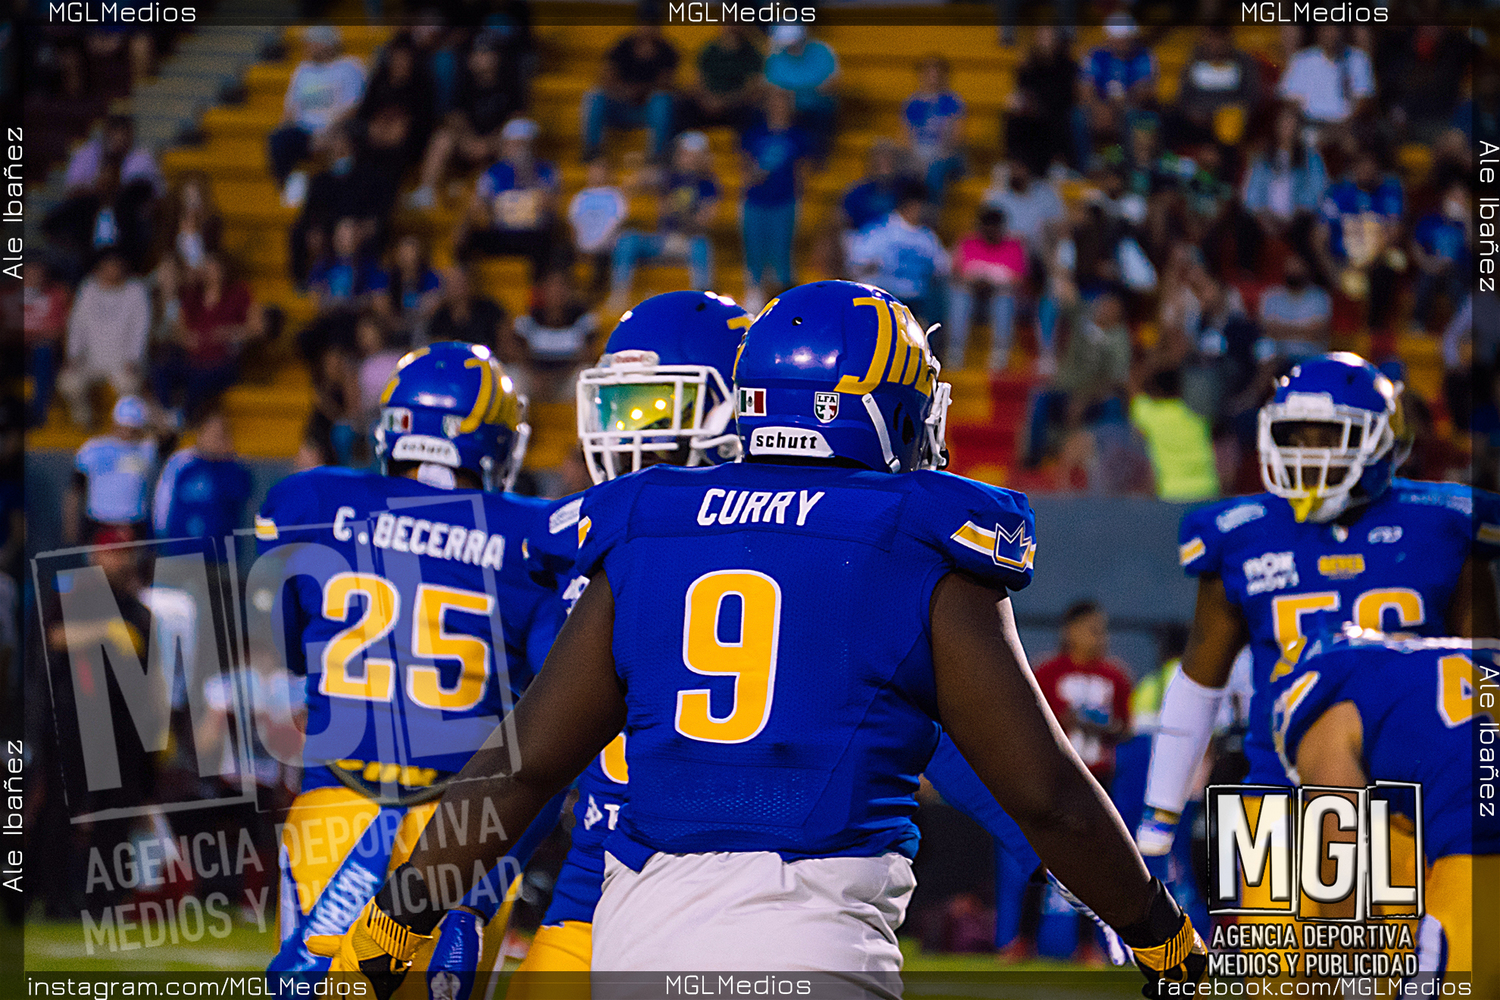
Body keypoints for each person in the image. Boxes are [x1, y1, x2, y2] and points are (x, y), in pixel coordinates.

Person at [309, 281, 1206, 998]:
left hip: (633, 931)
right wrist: (1162, 937)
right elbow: (1045, 795)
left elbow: (525, 768)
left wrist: (397, 920)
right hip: (809, 939)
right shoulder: (912, 534)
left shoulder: (644, 523)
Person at [1137, 352, 1500, 982]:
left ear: (1381, 438)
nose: (1309, 453)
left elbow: (1484, 679)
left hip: (1409, 804)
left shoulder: (1446, 523)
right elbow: (1199, 683)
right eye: (1295, 436)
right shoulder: (1241, 533)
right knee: (1284, 987)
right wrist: (1156, 826)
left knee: (1429, 976)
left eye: (1328, 435)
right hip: (1280, 803)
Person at [258, 342, 565, 984]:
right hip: (469, 829)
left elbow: (284, 647)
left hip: (337, 810)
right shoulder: (530, 537)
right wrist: (481, 893)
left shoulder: (311, 502)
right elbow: (558, 726)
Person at [1276, 628, 1499, 994]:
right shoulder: (1462, 664)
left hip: (1480, 859)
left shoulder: (1333, 708)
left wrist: (1358, 985)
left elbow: (1342, 865)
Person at [406, 32, 527, 211]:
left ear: (497, 57)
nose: (480, 58)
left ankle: (509, 196)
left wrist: (488, 143)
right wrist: (469, 141)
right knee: (442, 138)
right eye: (476, 53)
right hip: (467, 143)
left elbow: (516, 121)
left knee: (516, 144)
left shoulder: (509, 83)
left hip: (496, 144)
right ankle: (425, 191)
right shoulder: (462, 81)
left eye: (485, 53)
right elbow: (453, 117)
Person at [608, 131, 720, 310]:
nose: (685, 158)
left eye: (691, 154)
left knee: (701, 245)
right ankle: (619, 294)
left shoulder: (708, 184)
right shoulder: (668, 176)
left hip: (686, 242)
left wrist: (680, 212)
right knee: (627, 240)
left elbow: (706, 221)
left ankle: (702, 300)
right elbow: (634, 183)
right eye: (683, 153)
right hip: (661, 239)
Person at [151, 251, 260, 424]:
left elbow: (256, 327)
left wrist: (231, 332)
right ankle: (167, 413)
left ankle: (185, 421)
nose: (209, 271)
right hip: (194, 359)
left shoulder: (239, 292)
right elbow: (178, 329)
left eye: (213, 267)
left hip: (222, 361)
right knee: (161, 369)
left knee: (199, 382)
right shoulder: (194, 294)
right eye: (207, 267)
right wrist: (186, 338)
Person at [267, 26, 368, 205]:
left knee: (343, 139)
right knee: (279, 138)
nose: (307, 47)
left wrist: (327, 132)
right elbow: (290, 109)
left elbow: (354, 106)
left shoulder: (350, 67)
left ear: (327, 44)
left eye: (312, 43)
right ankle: (289, 186)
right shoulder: (302, 70)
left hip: (337, 128)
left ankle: (342, 193)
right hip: (305, 130)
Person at [1313, 150, 1403, 340]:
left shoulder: (1389, 195)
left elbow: (1394, 235)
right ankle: (1319, 327)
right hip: (1340, 260)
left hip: (1375, 260)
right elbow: (1319, 237)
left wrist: (1367, 261)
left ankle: (1374, 329)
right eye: (1361, 166)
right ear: (1353, 169)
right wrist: (1331, 269)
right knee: (1311, 266)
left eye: (1370, 167)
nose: (1366, 171)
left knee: (1390, 266)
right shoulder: (1338, 195)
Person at [56, 250, 150, 429]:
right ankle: (84, 423)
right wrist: (72, 356)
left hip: (123, 361)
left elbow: (140, 328)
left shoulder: (136, 290)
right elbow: (77, 326)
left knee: (128, 384)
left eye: (116, 265)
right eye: (108, 265)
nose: (112, 269)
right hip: (91, 360)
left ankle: (122, 426)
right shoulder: (88, 288)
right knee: (68, 382)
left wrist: (133, 358)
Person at [456, 117, 559, 278]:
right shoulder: (493, 173)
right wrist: (481, 211)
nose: (519, 150)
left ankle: (538, 289)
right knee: (467, 238)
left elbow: (554, 206)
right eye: (514, 144)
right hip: (501, 232)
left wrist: (541, 201)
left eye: (523, 145)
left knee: (549, 243)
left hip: (532, 233)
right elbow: (478, 205)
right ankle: (463, 280)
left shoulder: (546, 171)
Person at [739, 89, 812, 313]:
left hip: (785, 201)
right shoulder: (755, 134)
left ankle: (785, 301)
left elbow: (804, 170)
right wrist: (754, 175)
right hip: (756, 200)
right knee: (754, 251)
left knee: (782, 253)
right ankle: (754, 298)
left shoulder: (798, 136)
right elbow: (744, 167)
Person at [150, 409, 253, 563]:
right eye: (211, 432)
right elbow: (162, 503)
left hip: (219, 556)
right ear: (200, 433)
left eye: (221, 434)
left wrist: (227, 460)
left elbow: (241, 496)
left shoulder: (234, 469)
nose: (215, 438)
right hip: (181, 553)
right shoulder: (182, 463)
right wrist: (158, 540)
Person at [1239, 104, 1328, 276]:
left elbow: (1318, 189)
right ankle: (1246, 275)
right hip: (1266, 216)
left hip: (1297, 216)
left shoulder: (1311, 157)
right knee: (1244, 222)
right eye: (1284, 122)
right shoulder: (1262, 156)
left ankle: (1309, 277)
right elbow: (1250, 191)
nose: (1288, 127)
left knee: (1308, 228)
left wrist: (1296, 214)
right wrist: (1262, 216)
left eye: (1292, 123)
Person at [848, 181, 950, 330]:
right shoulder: (880, 231)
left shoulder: (927, 237)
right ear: (911, 205)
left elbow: (944, 268)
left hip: (916, 301)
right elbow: (856, 265)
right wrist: (876, 266)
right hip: (885, 298)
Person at [63, 395, 164, 545]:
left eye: (132, 429)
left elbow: (170, 434)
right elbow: (75, 490)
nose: (127, 433)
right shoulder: (93, 449)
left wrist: (152, 413)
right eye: (123, 427)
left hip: (134, 522)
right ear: (114, 424)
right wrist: (70, 524)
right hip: (99, 521)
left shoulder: (146, 449)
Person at [581, 21, 678, 162]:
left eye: (651, 25)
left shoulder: (667, 51)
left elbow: (668, 85)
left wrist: (641, 91)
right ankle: (593, 152)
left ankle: (658, 156)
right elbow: (605, 79)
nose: (647, 29)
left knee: (661, 101)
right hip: (620, 106)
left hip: (646, 110)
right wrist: (624, 91)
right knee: (595, 97)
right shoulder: (622, 47)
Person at [946, 206, 1027, 372]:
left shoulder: (1014, 245)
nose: (990, 232)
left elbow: (1019, 280)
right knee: (959, 296)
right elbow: (956, 274)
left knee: (1004, 299)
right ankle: (955, 352)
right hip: (971, 296)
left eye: (994, 228)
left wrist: (995, 282)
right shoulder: (967, 242)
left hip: (999, 297)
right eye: (987, 227)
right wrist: (976, 281)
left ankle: (1000, 355)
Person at [1276, 25, 1375, 150]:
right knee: (1287, 122)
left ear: (1343, 32)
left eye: (1335, 29)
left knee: (1354, 139)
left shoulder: (1358, 59)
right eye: (1327, 30)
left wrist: (1341, 126)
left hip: (1346, 125)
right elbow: (1289, 99)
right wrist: (1305, 119)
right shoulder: (1302, 59)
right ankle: (1285, 161)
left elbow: (1364, 100)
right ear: (1319, 32)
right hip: (1309, 122)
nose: (1331, 34)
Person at [1129, 367, 1220, 502]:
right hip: (1207, 488)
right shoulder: (1198, 413)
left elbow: (1132, 384)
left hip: (1172, 492)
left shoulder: (1150, 414)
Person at [1004, 26, 1085, 176]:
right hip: (1034, 111)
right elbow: (1022, 91)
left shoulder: (1067, 66)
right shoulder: (1028, 66)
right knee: (1012, 115)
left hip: (1059, 110)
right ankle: (1016, 163)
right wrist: (1023, 103)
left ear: (1056, 41)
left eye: (1048, 38)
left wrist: (1039, 105)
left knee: (1066, 119)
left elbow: (1068, 96)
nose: (1044, 43)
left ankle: (1062, 163)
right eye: (1041, 38)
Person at [507, 270, 598, 403]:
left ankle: (583, 417)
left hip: (567, 379)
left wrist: (556, 377)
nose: (557, 292)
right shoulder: (528, 319)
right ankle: (518, 416)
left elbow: (589, 354)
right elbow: (516, 354)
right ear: (543, 291)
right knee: (513, 374)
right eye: (552, 287)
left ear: (570, 291)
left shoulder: (583, 318)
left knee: (587, 373)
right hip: (536, 380)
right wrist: (536, 376)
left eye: (562, 286)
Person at [1168, 27, 1260, 150]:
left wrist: (1229, 110)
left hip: (1228, 120)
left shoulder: (1243, 61)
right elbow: (1183, 96)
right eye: (1210, 38)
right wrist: (1192, 112)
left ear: (1228, 39)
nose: (1215, 44)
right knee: (1169, 117)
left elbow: (1251, 97)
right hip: (1196, 120)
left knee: (1230, 125)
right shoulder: (1194, 59)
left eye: (1219, 38)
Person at [1080, 16, 1157, 147]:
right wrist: (1098, 107)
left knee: (1134, 117)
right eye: (1116, 39)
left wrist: (1117, 107)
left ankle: (1128, 157)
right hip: (1100, 106)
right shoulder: (1096, 55)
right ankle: (1085, 159)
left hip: (1129, 106)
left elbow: (1144, 91)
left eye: (1123, 40)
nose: (1120, 44)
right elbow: (1084, 87)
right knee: (1077, 117)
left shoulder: (1143, 56)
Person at [903, 56, 965, 209]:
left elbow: (957, 139)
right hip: (918, 154)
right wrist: (918, 159)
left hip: (945, 154)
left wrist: (932, 158)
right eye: (929, 73)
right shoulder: (912, 102)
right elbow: (904, 138)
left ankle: (930, 213)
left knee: (935, 169)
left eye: (936, 73)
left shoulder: (953, 101)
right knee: (899, 168)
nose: (933, 78)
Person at [1410, 179, 1470, 334]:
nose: (1459, 202)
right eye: (1456, 197)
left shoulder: (1466, 223)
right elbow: (1416, 246)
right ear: (1446, 198)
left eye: (1463, 198)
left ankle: (1465, 328)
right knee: (1426, 280)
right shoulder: (1430, 219)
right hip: (1432, 268)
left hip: (1459, 272)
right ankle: (1418, 323)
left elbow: (1474, 247)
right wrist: (1428, 264)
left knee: (1459, 287)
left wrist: (1467, 220)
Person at [567, 158, 629, 298]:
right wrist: (578, 247)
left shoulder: (616, 196)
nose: (597, 173)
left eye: (601, 170)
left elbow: (617, 224)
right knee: (561, 255)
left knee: (602, 260)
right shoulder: (580, 196)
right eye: (594, 170)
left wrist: (596, 246)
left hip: (605, 247)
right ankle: (571, 291)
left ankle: (595, 296)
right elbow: (573, 224)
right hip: (581, 247)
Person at [685, 26, 764, 132]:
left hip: (735, 104)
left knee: (751, 109)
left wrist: (724, 101)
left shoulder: (751, 53)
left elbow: (751, 87)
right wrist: (709, 99)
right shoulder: (709, 50)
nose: (731, 28)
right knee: (684, 105)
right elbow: (699, 81)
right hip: (707, 102)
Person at [1256, 254, 1331, 363]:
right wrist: (1302, 330)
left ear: (1307, 268)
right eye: (1290, 266)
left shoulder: (1320, 297)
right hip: (1277, 354)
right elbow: (1267, 330)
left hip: (1308, 353)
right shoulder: (1271, 295)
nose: (1294, 270)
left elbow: (1316, 333)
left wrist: (1282, 330)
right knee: (1264, 347)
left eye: (1298, 266)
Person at [24, 259, 71, 428]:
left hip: (42, 352)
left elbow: (57, 331)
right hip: (14, 350)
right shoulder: (8, 294)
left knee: (43, 350)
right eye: (30, 273)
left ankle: (37, 414)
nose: (35, 277)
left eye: (39, 273)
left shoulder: (56, 294)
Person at [425, 264, 508, 346]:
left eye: (460, 283)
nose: (457, 289)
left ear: (470, 283)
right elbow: (439, 347)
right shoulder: (440, 316)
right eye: (452, 284)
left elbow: (505, 343)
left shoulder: (490, 311)